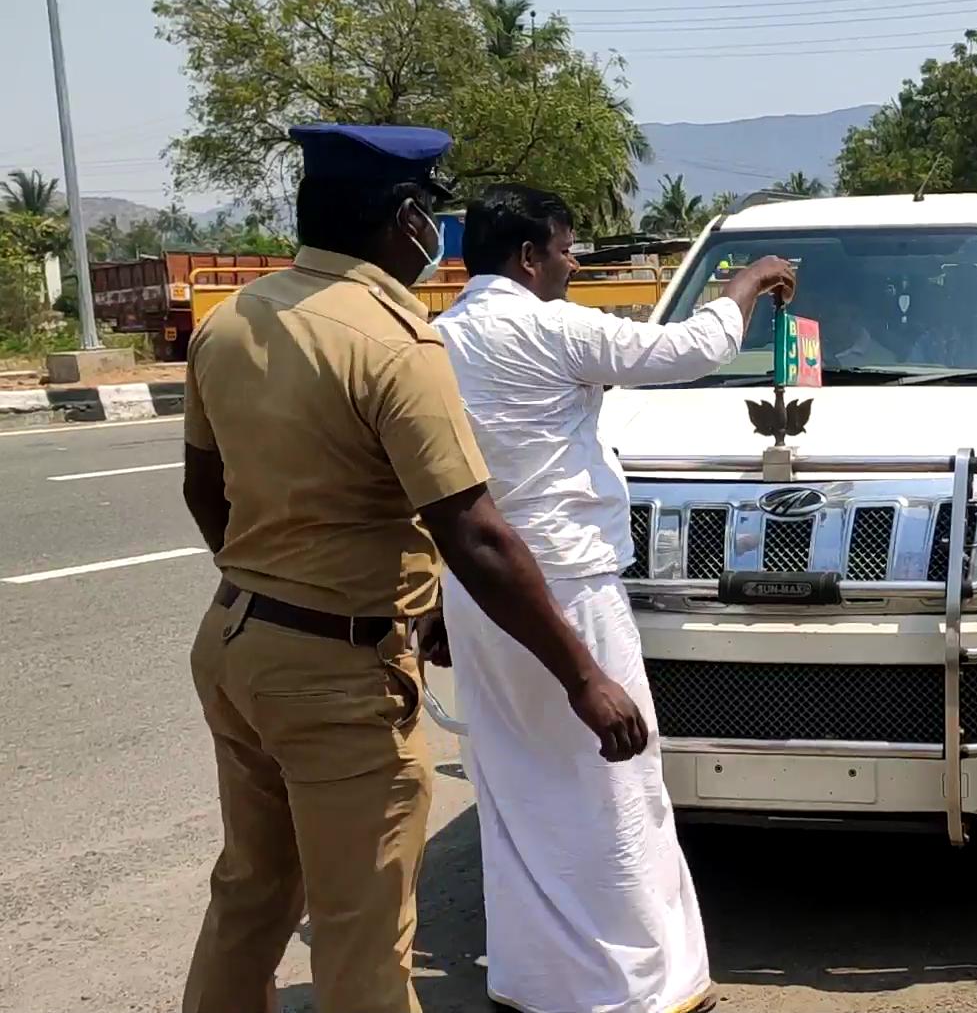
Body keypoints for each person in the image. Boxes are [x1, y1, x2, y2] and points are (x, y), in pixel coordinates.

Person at [178, 125, 649, 1013]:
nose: (435, 233)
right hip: (337, 675)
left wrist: (277, 583)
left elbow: (208, 494)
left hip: (238, 642)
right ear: (404, 220)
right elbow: (474, 533)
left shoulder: (229, 323)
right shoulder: (397, 342)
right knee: (364, 927)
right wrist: (585, 677)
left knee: (252, 890)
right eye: (429, 213)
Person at [432, 185, 795, 1013]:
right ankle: (635, 988)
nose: (572, 264)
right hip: (567, 586)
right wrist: (750, 279)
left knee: (515, 783)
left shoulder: (437, 338)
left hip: (479, 591)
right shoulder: (547, 328)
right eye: (566, 249)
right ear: (527, 256)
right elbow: (688, 348)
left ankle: (536, 979)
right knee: (615, 784)